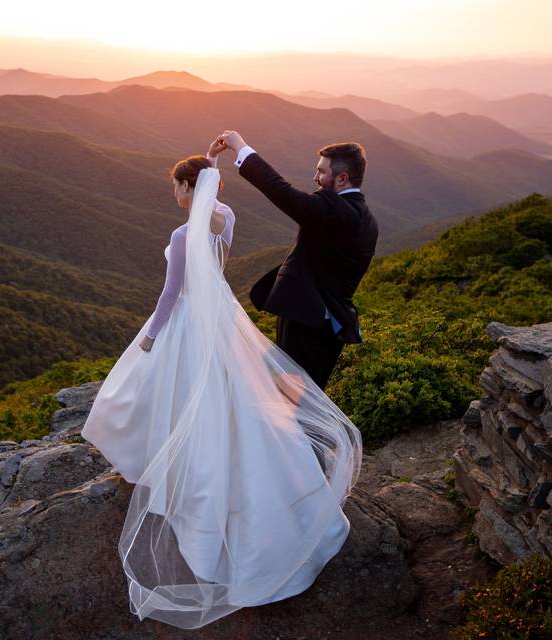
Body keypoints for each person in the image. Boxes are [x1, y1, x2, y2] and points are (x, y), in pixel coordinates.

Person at [80, 145, 363, 630]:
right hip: (221, 321)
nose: (174, 192)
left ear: (191, 188)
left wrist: (149, 336)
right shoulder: (224, 218)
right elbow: (216, 247)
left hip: (189, 320)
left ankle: (163, 463)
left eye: (177, 184)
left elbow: (171, 293)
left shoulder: (182, 232)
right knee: (228, 401)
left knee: (160, 393)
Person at [213, 131, 379, 390]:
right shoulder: (368, 219)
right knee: (310, 396)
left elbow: (283, 192)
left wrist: (241, 148)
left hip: (307, 320)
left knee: (291, 398)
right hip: (332, 325)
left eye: (322, 172)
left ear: (342, 178)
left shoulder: (333, 208)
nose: (316, 178)